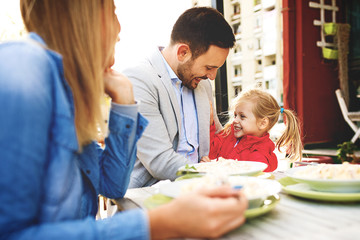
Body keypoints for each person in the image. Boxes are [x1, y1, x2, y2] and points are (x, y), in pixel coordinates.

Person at [0, 0, 248, 239]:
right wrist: (161, 223)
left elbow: (111, 184)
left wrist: (125, 104)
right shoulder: (24, 70)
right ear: (84, 14)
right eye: (113, 11)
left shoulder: (66, 90)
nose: (119, 31)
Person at [123, 7, 235, 188]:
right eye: (208, 67)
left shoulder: (202, 83)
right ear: (183, 52)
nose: (213, 76)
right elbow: (160, 161)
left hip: (201, 189)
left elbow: (218, 137)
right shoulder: (139, 80)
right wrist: (212, 175)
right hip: (150, 196)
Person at [208, 89, 303, 172]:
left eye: (242, 116)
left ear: (262, 123)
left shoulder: (261, 154)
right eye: (235, 115)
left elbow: (251, 176)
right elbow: (210, 151)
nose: (235, 120)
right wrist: (210, 122)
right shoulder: (228, 134)